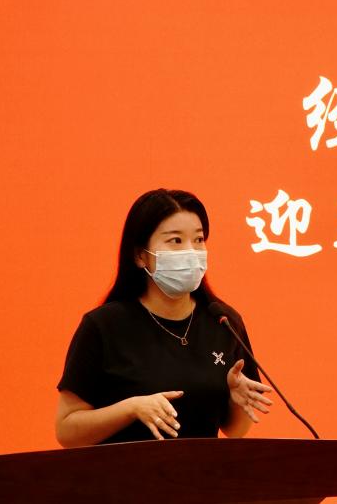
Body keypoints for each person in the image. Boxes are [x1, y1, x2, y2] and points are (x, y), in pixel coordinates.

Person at [55, 189, 274, 446]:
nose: (191, 251)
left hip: (202, 471)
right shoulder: (104, 326)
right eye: (176, 241)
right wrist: (130, 409)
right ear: (140, 255)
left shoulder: (223, 321)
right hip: (126, 471)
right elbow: (67, 431)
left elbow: (235, 431)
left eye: (199, 239)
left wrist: (236, 400)